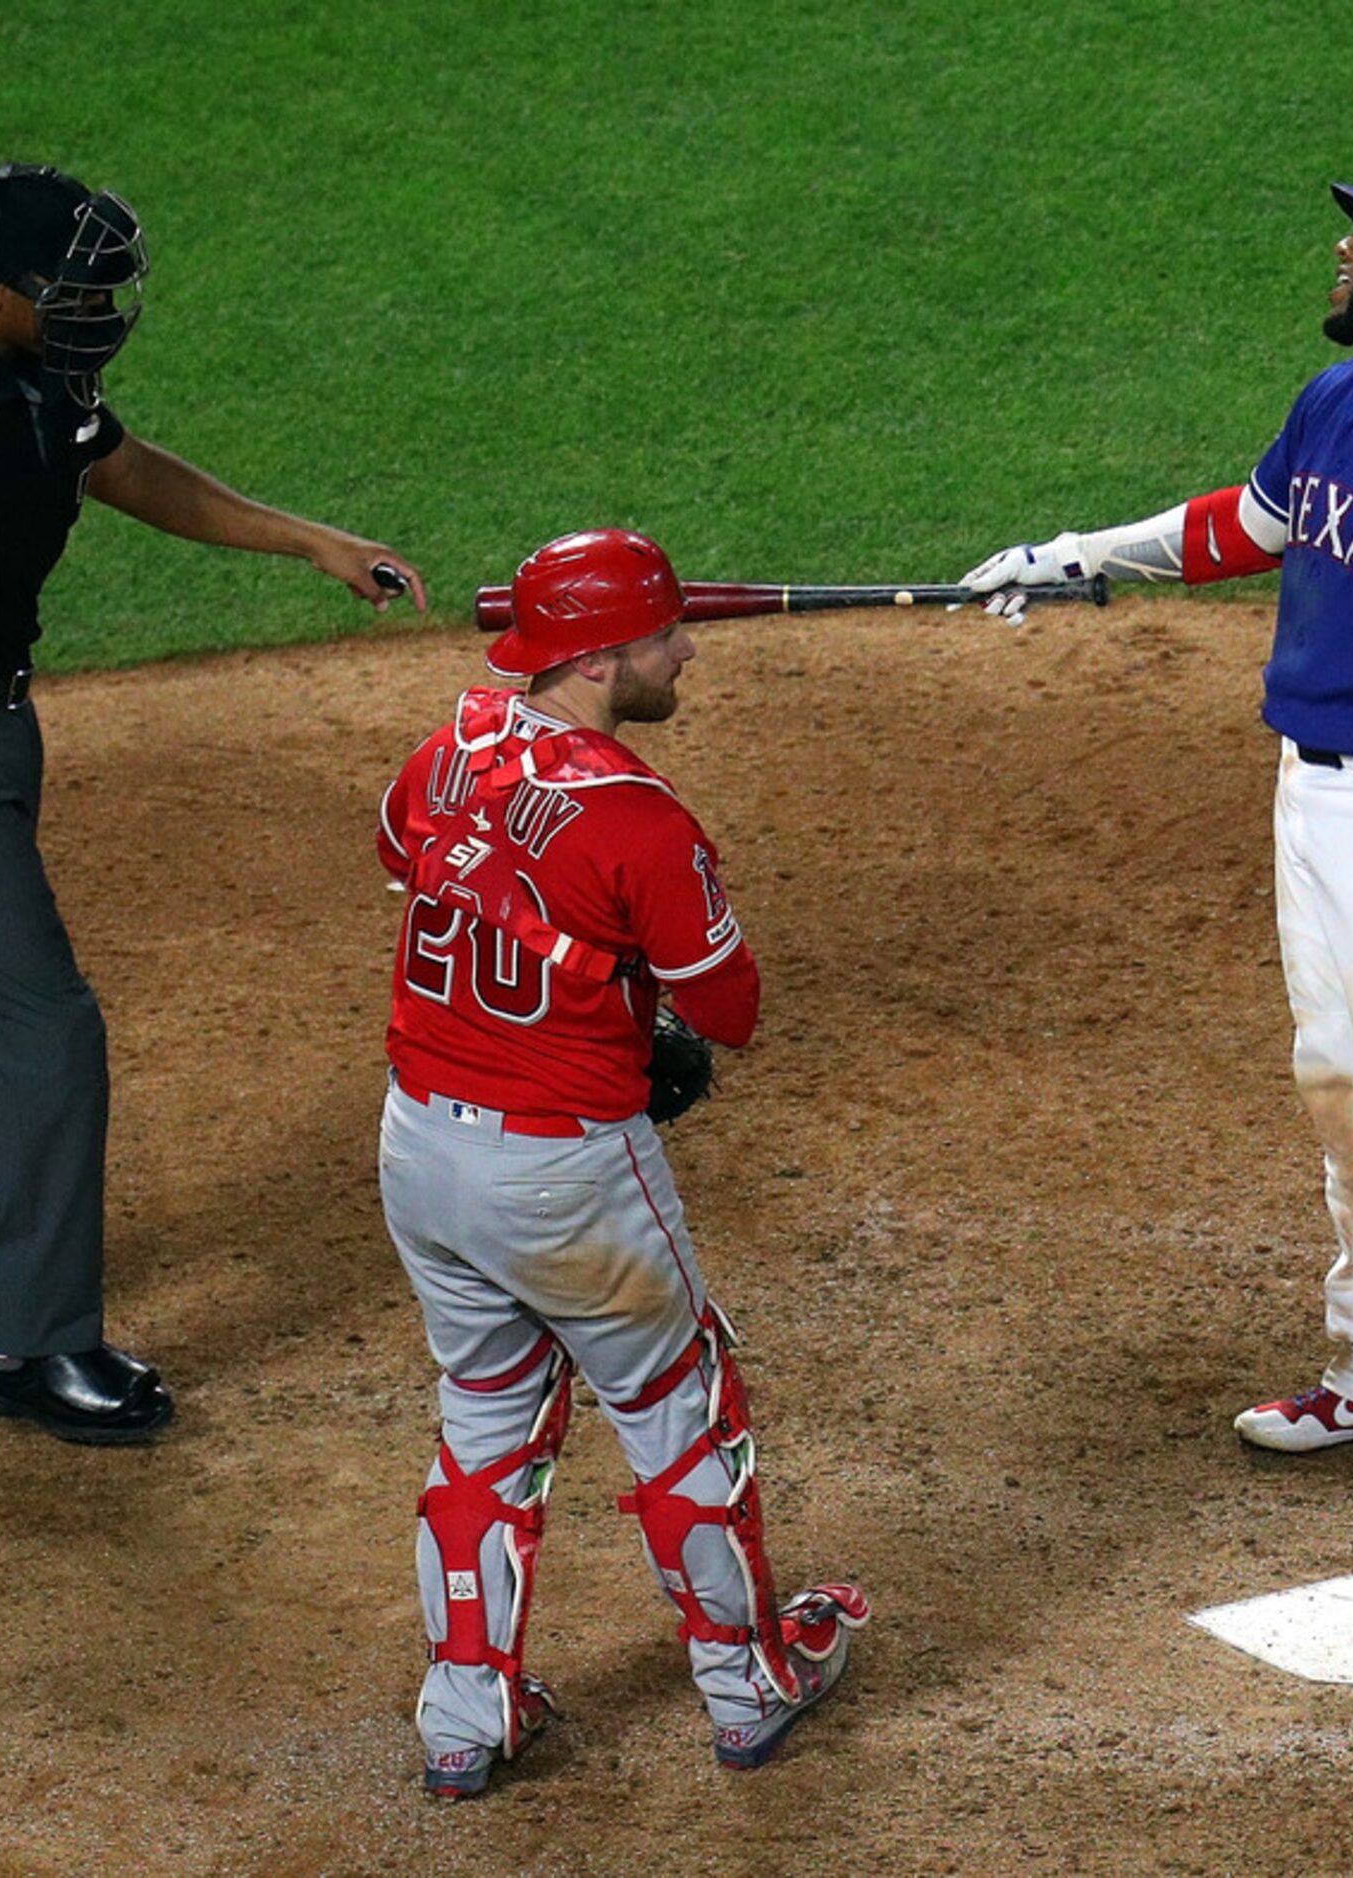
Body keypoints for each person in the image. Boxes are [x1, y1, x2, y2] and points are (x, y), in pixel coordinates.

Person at [0, 162, 426, 1445]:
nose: (102, 308)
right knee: (43, 1035)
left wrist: (307, 539)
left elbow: (121, 468)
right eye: (75, 289)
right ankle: (24, 1345)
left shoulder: (35, 375)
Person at [962, 161, 1353, 1525]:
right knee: (1336, 1077)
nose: (1343, 253)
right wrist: (1081, 554)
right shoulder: (1336, 401)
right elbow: (1253, 521)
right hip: (1316, 786)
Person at [374, 528, 869, 1794]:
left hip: (420, 1147)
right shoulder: (636, 816)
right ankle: (746, 1681)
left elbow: (401, 851)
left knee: (481, 1424)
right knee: (679, 1408)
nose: (685, 649)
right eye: (662, 636)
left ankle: (463, 1721)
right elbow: (731, 1009)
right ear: (596, 659)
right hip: (564, 1174)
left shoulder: (453, 749)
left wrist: (558, 942)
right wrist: (626, 986)